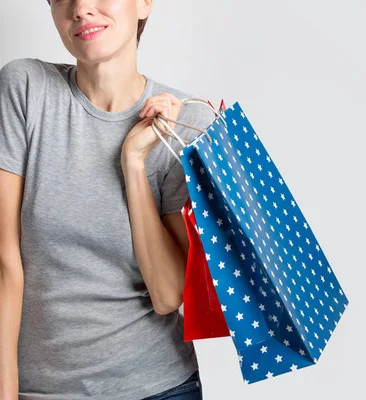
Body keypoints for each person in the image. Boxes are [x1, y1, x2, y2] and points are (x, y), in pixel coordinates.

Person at [0, 0, 216, 398]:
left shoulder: (188, 123)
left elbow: (168, 295)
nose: (81, 8)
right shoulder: (24, 88)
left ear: (144, 4)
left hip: (158, 388)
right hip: (39, 390)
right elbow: (4, 262)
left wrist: (134, 162)